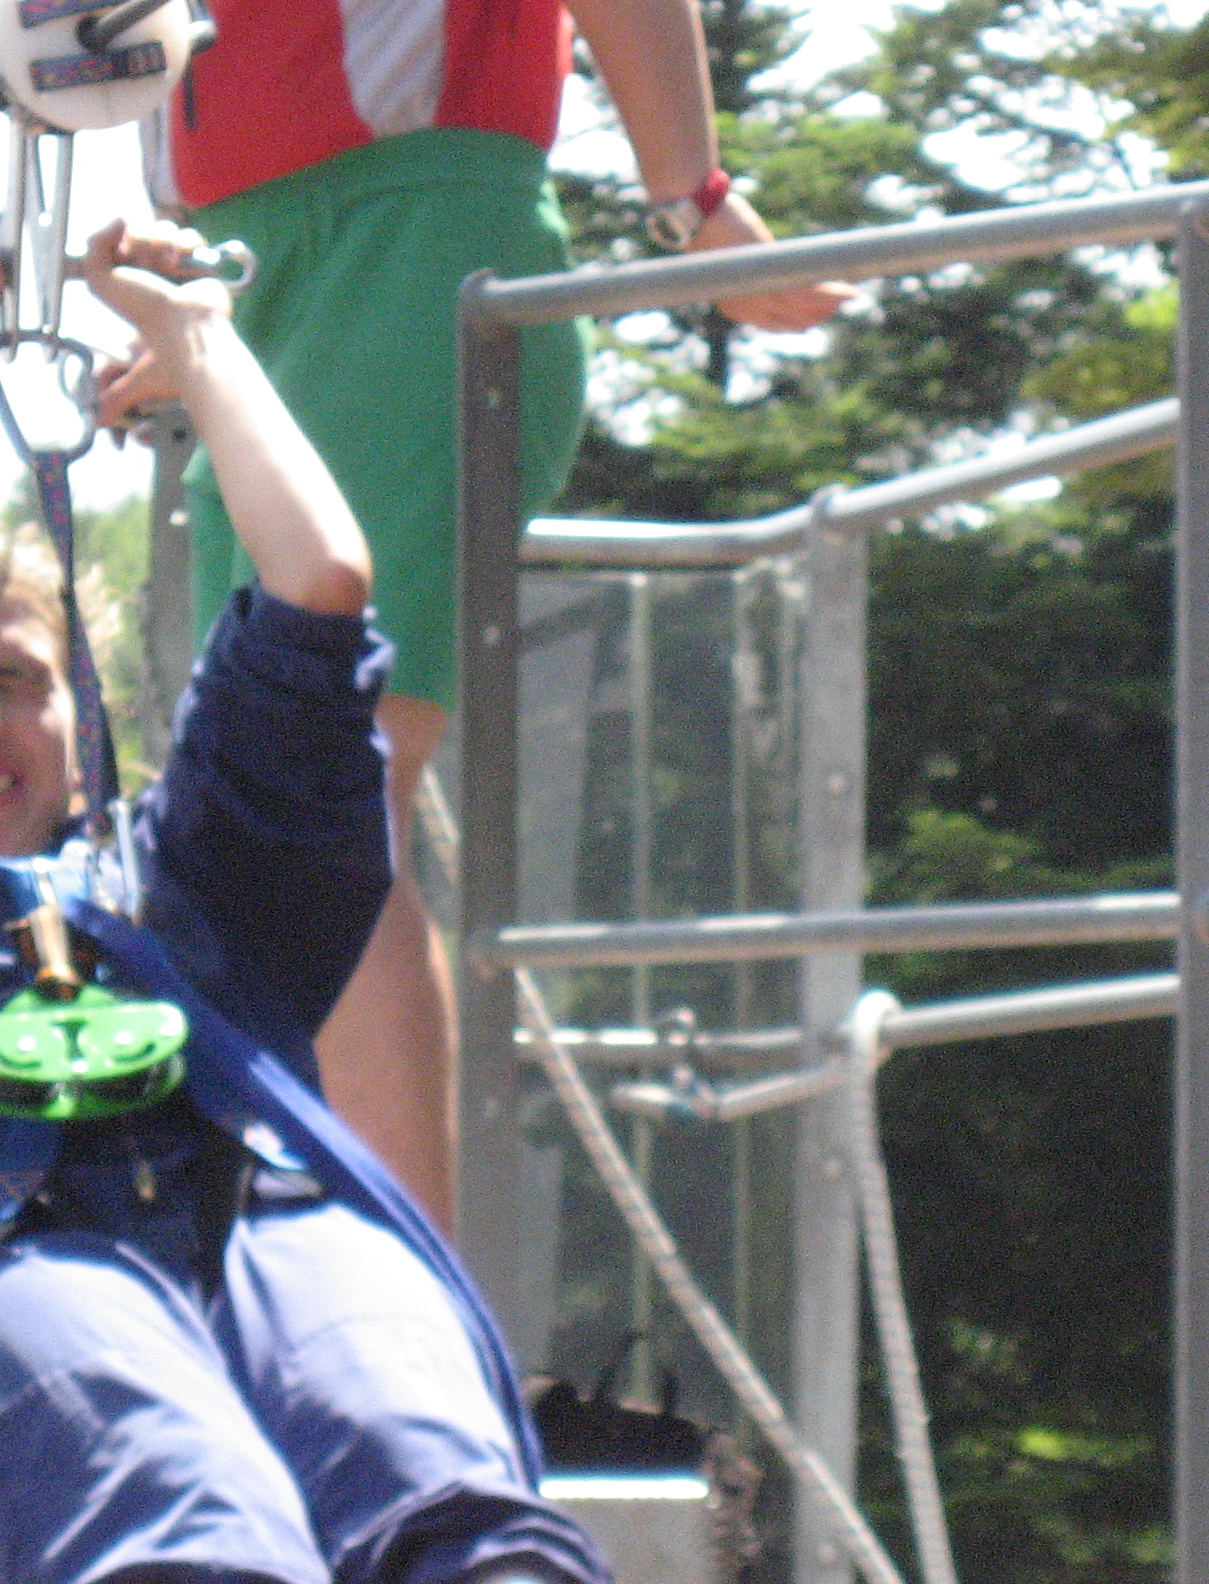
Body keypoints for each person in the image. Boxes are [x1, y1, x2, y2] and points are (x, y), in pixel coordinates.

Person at [0, 216, 602, 1584]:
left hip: (270, 1215)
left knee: (445, 1502)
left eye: (20, 684)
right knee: (183, 1527)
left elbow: (320, 582)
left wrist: (199, 341)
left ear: (82, 733)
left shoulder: (191, 881)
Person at [149, 0, 845, 1226]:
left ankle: (400, 1298)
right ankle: (327, 1278)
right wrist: (184, 313)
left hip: (412, 238)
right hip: (262, 273)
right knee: (262, 808)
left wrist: (690, 195)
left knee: (318, 794)